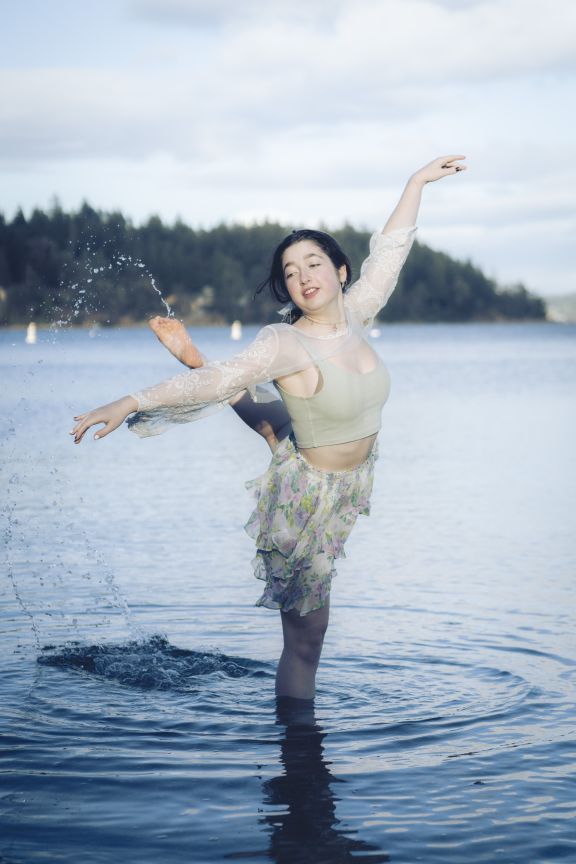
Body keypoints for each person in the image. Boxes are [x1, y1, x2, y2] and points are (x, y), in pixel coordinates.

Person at [71, 155, 467, 702]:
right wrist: (129, 400)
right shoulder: (284, 343)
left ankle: (195, 356)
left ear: (340, 271)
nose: (304, 276)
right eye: (290, 271)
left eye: (314, 263)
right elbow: (217, 385)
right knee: (307, 641)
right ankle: (298, 757)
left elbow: (391, 250)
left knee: (273, 426)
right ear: (285, 288)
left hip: (343, 477)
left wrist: (416, 182)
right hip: (303, 498)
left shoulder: (358, 312)